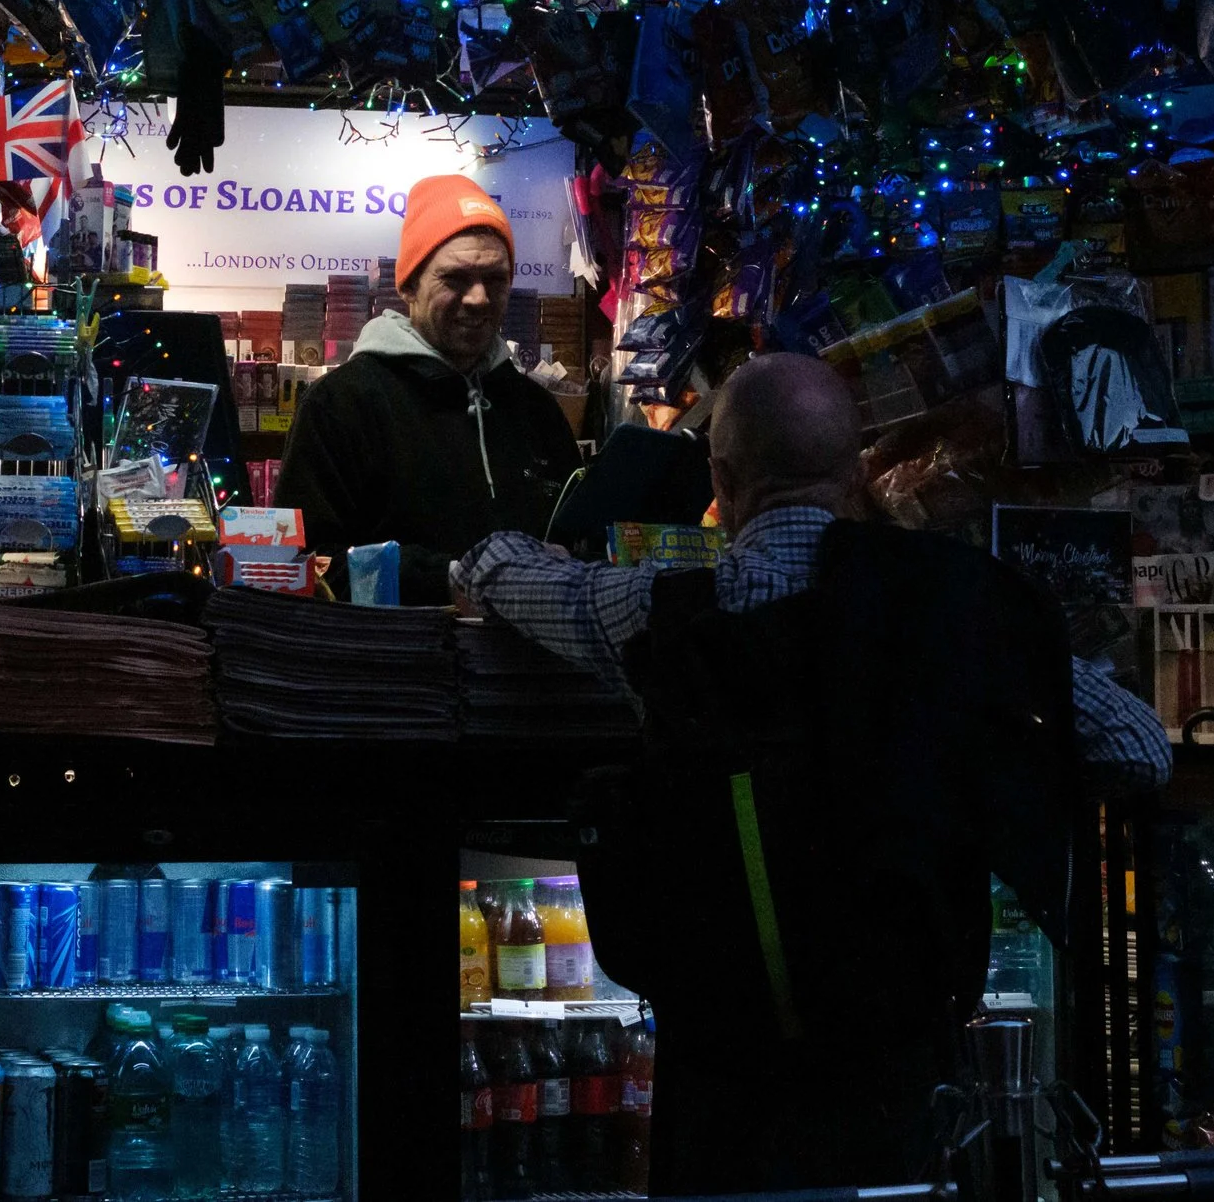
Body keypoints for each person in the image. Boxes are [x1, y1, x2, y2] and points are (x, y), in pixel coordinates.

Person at [454, 353, 1172, 1194]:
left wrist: (479, 561)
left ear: (723, 479)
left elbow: (515, 575)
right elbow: (1139, 747)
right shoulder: (954, 610)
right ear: (858, 472)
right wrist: (964, 760)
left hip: (724, 1093)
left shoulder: (666, 615)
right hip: (905, 1087)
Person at [276, 174, 580, 602]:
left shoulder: (535, 408)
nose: (479, 298)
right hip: (399, 644)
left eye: (495, 279)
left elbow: (574, 540)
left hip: (527, 646)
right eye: (455, 278)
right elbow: (307, 562)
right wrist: (448, 581)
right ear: (408, 287)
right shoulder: (340, 405)